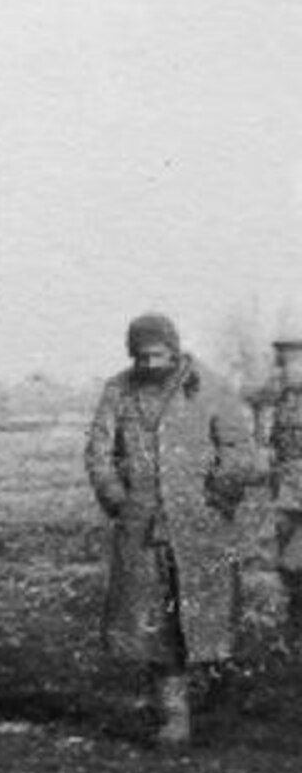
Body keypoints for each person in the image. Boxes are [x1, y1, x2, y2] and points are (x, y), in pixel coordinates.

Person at [84, 313, 258, 747]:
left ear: (175, 350)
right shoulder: (118, 391)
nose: (150, 364)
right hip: (142, 530)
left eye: (158, 355)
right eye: (141, 357)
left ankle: (223, 700)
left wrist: (220, 496)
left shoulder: (211, 387)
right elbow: (99, 453)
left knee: (212, 617)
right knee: (156, 629)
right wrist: (118, 501)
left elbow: (237, 448)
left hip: (203, 527)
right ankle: (173, 717)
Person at [260, 337, 302, 635]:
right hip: (287, 493)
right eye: (285, 364)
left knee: (292, 562)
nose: (287, 370)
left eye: (294, 363)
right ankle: (295, 618)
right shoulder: (283, 402)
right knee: (284, 564)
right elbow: (275, 446)